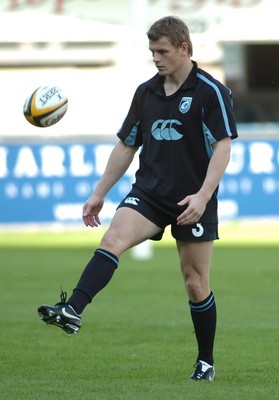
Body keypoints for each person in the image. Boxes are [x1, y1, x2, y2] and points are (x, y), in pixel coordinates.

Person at [38, 16, 238, 381]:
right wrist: (99, 193)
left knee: (195, 282)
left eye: (162, 51)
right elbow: (128, 144)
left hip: (193, 199)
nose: (156, 59)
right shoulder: (146, 93)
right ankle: (73, 309)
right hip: (149, 193)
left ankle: (205, 360)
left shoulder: (211, 91)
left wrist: (203, 196)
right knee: (112, 238)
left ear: (184, 48)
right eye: (152, 52)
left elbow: (223, 147)